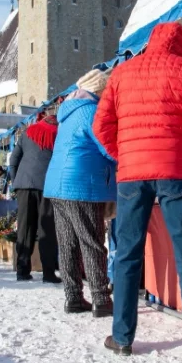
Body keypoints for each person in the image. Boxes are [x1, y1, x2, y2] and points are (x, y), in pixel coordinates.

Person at [93, 21, 182, 363]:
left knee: (128, 254)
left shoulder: (121, 73)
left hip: (131, 176)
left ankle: (121, 338)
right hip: (175, 172)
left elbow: (100, 126)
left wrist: (126, 155)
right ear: (181, 45)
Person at [44, 69, 116, 316]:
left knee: (67, 244)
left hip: (57, 185)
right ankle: (101, 299)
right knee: (91, 241)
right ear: (99, 91)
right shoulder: (92, 112)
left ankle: (73, 297)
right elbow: (108, 147)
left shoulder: (68, 113)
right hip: (82, 184)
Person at [9, 112, 60, 283]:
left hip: (24, 185)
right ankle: (48, 273)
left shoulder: (28, 133)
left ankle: (22, 270)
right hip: (48, 187)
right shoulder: (57, 134)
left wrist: (17, 181)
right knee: (47, 229)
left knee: (24, 228)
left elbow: (14, 159)